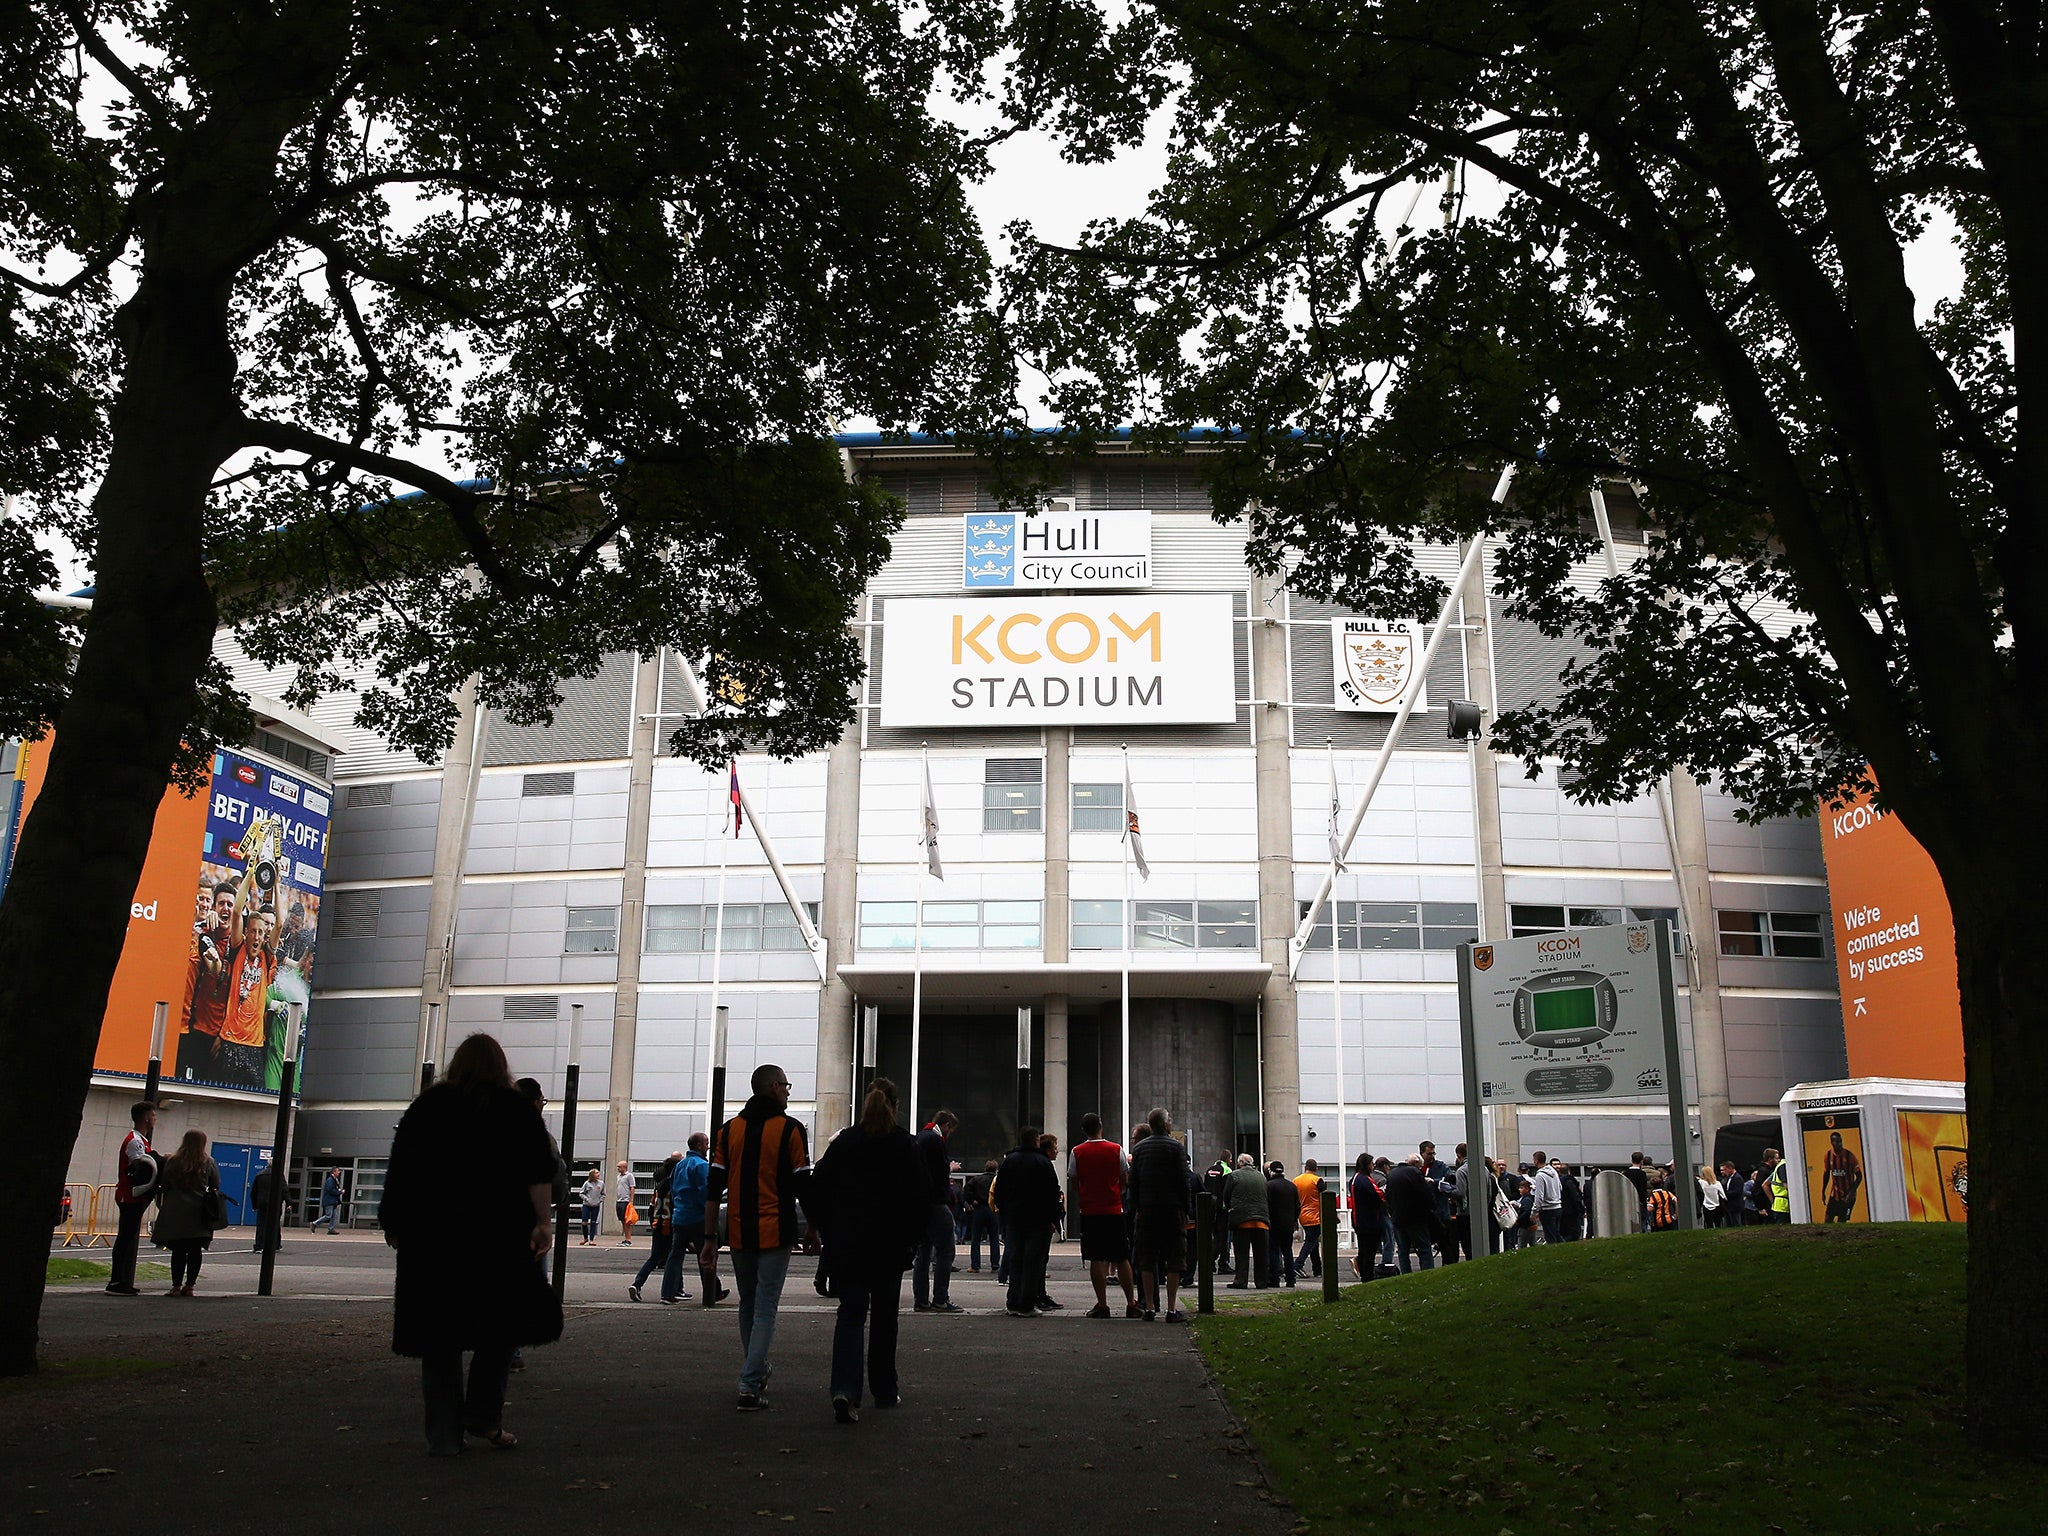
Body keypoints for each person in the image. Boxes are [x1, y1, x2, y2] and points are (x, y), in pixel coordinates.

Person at [382, 1032, 561, 1456]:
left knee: (438, 1337)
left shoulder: (427, 1107)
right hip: (497, 1236)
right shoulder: (516, 1108)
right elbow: (538, 1171)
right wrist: (542, 1223)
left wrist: (394, 1222)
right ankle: (483, 1416)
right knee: (498, 1328)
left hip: (433, 1238)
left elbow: (401, 1167)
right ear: (501, 1066)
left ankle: (444, 1435)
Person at [805, 1078, 927, 1423]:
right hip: (889, 1246)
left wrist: (824, 1229)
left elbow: (817, 1188)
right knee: (886, 1318)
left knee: (851, 1313)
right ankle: (885, 1390)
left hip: (848, 1244)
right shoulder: (904, 1144)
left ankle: (844, 1388)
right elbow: (921, 1197)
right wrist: (912, 1240)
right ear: (896, 1105)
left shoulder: (846, 1142)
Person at [709, 1063, 814, 1411]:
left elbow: (713, 1189)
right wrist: (814, 1226)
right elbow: (803, 1184)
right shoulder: (791, 1130)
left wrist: (710, 1236)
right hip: (776, 1230)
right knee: (765, 1307)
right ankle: (749, 1383)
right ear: (772, 1087)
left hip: (739, 1232)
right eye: (785, 1085)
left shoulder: (728, 1132)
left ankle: (755, 1368)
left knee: (747, 1304)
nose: (787, 1091)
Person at [1069, 1112, 1138, 1318]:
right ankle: (1131, 1303)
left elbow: (1074, 1182)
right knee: (1121, 1256)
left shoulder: (1077, 1152)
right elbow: (1124, 1178)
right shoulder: (1116, 1149)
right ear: (1101, 1126)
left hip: (1090, 1211)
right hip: (1113, 1209)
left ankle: (1102, 1303)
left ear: (1084, 1130)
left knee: (1096, 1258)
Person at [1128, 1108, 1190, 1321]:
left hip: (1146, 1210)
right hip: (1172, 1210)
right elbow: (1184, 1181)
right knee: (1174, 1259)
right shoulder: (1175, 1147)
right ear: (1165, 1125)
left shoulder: (1139, 1150)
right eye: (1169, 1120)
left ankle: (1151, 1307)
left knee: (1147, 1258)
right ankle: (1172, 1309)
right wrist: (1186, 1208)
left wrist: (1135, 1209)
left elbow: (1133, 1182)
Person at [996, 1126, 1062, 1317]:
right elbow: (1051, 1192)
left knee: (1016, 1258)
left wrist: (1006, 1212)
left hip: (1015, 1218)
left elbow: (999, 1189)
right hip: (1038, 1219)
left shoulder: (1010, 1161)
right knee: (1033, 1262)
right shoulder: (1042, 1162)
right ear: (1036, 1141)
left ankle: (1013, 1301)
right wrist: (1052, 1218)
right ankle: (1027, 1303)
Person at [152, 1129, 223, 1296]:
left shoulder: (173, 1161)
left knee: (178, 1250)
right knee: (194, 1250)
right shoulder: (208, 1162)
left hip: (176, 1210)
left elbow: (165, 1183)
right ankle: (190, 1285)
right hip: (198, 1211)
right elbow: (215, 1184)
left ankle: (176, 1285)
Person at [911, 1109, 962, 1315]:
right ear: (947, 1125)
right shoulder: (935, 1140)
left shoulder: (920, 1137)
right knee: (945, 1251)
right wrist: (949, 1167)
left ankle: (921, 1300)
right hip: (936, 1203)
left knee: (923, 1253)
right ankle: (940, 1298)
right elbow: (940, 1172)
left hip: (920, 1204)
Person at [106, 1102, 158, 1295]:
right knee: (125, 1238)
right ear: (145, 1117)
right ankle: (116, 1281)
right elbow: (141, 1167)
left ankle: (120, 1280)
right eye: (153, 1115)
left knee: (127, 1237)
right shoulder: (135, 1142)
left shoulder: (141, 1140)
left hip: (134, 1197)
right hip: (130, 1196)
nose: (155, 1119)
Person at [663, 1133, 712, 1304]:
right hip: (697, 1216)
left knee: (675, 1256)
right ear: (699, 1146)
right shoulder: (701, 1166)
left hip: (680, 1216)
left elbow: (674, 1189)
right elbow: (704, 1191)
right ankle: (711, 1290)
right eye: (706, 1143)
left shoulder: (680, 1165)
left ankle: (667, 1292)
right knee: (705, 1254)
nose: (708, 1146)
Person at [629, 1151, 684, 1301]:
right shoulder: (675, 1186)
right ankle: (672, 1290)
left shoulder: (659, 1188)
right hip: (670, 1225)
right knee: (674, 1257)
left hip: (658, 1224)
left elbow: (651, 1208)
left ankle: (637, 1283)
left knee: (655, 1258)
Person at [1222, 1154, 1271, 1288]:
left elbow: (1226, 1196)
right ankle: (1261, 1282)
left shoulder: (1234, 1175)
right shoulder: (1261, 1176)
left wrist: (1230, 1210)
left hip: (1242, 1221)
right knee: (1261, 1255)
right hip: (1262, 1221)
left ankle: (1241, 1281)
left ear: (1240, 1163)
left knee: (1241, 1254)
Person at [1385, 1155, 1435, 1271]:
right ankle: (1428, 1272)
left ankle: (1406, 1273)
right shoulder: (1414, 1173)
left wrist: (1392, 1211)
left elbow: (1387, 1196)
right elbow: (1425, 1194)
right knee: (1424, 1248)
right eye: (1420, 1166)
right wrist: (1432, 1207)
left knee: (1403, 1250)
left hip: (1397, 1218)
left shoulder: (1393, 1173)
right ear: (1416, 1163)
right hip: (1416, 1218)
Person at [1348, 1153, 1386, 1281]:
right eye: (1371, 1164)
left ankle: (1364, 1272)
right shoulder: (1364, 1180)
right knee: (1370, 1251)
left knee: (1364, 1249)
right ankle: (1367, 1276)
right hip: (1370, 1221)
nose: (1373, 1166)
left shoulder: (1354, 1179)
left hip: (1359, 1220)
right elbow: (1378, 1195)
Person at [1265, 1161, 1300, 1287]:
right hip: (1288, 1224)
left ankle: (1274, 1279)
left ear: (1271, 1172)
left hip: (1274, 1223)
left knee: (1274, 1251)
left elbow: (1267, 1205)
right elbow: (1297, 1206)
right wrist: (1294, 1219)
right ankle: (1290, 1279)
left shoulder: (1269, 1186)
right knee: (1288, 1251)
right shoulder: (1292, 1186)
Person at [964, 1158, 1001, 1273]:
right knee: (994, 1238)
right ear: (996, 1169)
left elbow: (966, 1190)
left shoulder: (976, 1179)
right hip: (993, 1209)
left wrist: (972, 1200)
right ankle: (995, 1265)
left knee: (976, 1238)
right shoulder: (997, 1180)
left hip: (979, 1208)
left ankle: (975, 1265)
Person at [1292, 1159, 1324, 1278]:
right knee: (1310, 1242)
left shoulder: (1296, 1180)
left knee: (1313, 1243)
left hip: (1302, 1216)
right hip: (1315, 1216)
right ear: (1316, 1169)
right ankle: (1298, 1264)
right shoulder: (1317, 1180)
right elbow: (1324, 1198)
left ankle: (1317, 1269)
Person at [1821, 1131, 1863, 1222]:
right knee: (1828, 1220)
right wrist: (1823, 1191)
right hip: (1835, 1195)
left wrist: (1851, 1192)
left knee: (1842, 1221)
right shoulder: (1828, 1156)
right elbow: (1826, 1174)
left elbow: (1859, 1176)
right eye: (1837, 1142)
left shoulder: (1849, 1156)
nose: (1839, 1144)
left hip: (1848, 1196)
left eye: (1840, 1141)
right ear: (1832, 1142)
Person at [249, 1159, 289, 1253]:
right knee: (275, 1225)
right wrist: (289, 1202)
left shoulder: (260, 1175)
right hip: (275, 1203)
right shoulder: (278, 1175)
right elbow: (284, 1190)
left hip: (262, 1203)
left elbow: (254, 1192)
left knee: (261, 1225)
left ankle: (259, 1245)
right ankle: (275, 1244)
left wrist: (255, 1205)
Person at [1530, 1152, 1563, 1246]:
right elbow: (1560, 1187)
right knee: (1556, 1233)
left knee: (1550, 1236)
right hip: (1557, 1206)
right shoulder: (1554, 1172)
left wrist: (1534, 1211)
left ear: (1536, 1160)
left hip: (1547, 1209)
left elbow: (1539, 1196)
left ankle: (1555, 1255)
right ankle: (1565, 1251)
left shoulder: (1540, 1175)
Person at [1555, 1159, 1585, 1241]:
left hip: (1561, 1210)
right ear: (1569, 1171)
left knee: (1563, 1232)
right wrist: (1580, 1209)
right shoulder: (1569, 1181)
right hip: (1571, 1212)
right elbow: (1575, 1196)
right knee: (1574, 1233)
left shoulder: (1557, 1182)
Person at [1623, 1152, 1652, 1232]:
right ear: (1641, 1161)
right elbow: (1643, 1190)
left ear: (1631, 1160)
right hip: (1640, 1203)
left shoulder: (1625, 1173)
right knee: (1642, 1224)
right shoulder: (1641, 1174)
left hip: (1628, 1202)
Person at [313, 1167, 344, 1233]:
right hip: (329, 1200)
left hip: (333, 1201)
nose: (339, 1172)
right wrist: (339, 1192)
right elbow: (330, 1190)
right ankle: (314, 1223)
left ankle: (331, 1229)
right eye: (338, 1171)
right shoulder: (330, 1180)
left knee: (334, 1215)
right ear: (334, 1172)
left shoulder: (335, 1180)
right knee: (329, 1215)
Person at [614, 1160, 637, 1245]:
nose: (618, 1168)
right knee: (622, 1220)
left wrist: (631, 1200)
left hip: (626, 1201)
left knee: (627, 1221)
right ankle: (625, 1238)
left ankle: (628, 1239)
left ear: (624, 1167)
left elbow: (632, 1188)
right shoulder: (619, 1176)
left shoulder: (629, 1176)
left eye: (619, 1167)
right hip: (619, 1200)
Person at [577, 1168, 602, 1245]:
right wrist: (587, 1199)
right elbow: (581, 1193)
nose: (598, 1174)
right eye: (596, 1173)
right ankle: (585, 1238)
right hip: (587, 1205)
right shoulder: (587, 1183)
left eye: (598, 1173)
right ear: (592, 1175)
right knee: (584, 1222)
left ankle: (591, 1240)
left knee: (593, 1222)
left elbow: (603, 1194)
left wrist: (600, 1200)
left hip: (596, 1205)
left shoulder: (601, 1183)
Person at [1698, 1163, 1726, 1227]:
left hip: (1706, 1205)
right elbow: (1723, 1195)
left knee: (1709, 1223)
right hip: (1716, 1205)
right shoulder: (1717, 1183)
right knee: (1718, 1223)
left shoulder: (1701, 1182)